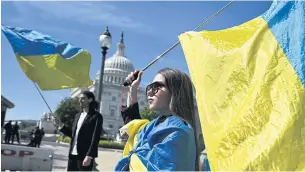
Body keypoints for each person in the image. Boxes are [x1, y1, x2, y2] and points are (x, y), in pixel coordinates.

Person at [115, 68, 199, 171]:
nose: (149, 92)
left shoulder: (178, 132)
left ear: (175, 91)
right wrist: (132, 89)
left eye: (156, 87)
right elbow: (135, 129)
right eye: (149, 87)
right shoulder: (155, 125)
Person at [54, 91, 103, 171]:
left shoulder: (96, 116)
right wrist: (60, 125)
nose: (80, 100)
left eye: (83, 98)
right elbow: (73, 135)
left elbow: (95, 137)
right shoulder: (77, 115)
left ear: (90, 100)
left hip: (84, 156)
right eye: (80, 98)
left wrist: (89, 156)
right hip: (72, 154)